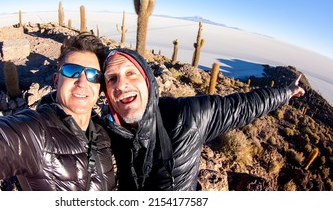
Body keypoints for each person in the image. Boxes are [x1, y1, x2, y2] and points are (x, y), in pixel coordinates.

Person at [98, 48, 305, 191]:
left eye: (131, 73)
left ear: (148, 81)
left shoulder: (187, 116)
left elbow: (245, 105)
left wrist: (286, 91)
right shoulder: (107, 130)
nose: (121, 84)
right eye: (112, 78)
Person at [0, 33, 116, 191]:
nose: (82, 81)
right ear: (56, 80)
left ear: (100, 87)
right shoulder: (35, 133)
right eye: (72, 71)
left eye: (93, 75)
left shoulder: (103, 134)